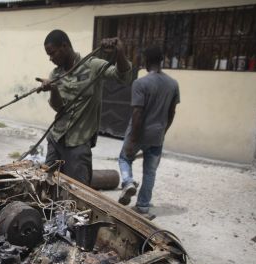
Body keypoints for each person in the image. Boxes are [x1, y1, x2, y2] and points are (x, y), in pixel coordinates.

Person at [37, 30, 132, 185]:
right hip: (56, 139)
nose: (51, 59)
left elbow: (123, 77)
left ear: (64, 46)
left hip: (78, 143)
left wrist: (119, 52)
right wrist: (53, 89)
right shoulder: (55, 74)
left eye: (53, 53)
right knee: (47, 186)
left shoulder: (92, 66)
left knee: (77, 192)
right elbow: (58, 107)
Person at [117, 45, 180, 220]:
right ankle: (143, 206)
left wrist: (133, 139)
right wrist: (163, 130)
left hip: (139, 132)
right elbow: (172, 112)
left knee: (124, 158)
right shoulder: (173, 84)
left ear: (145, 61)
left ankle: (128, 182)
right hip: (157, 135)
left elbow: (137, 113)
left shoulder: (140, 83)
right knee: (150, 172)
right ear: (162, 61)